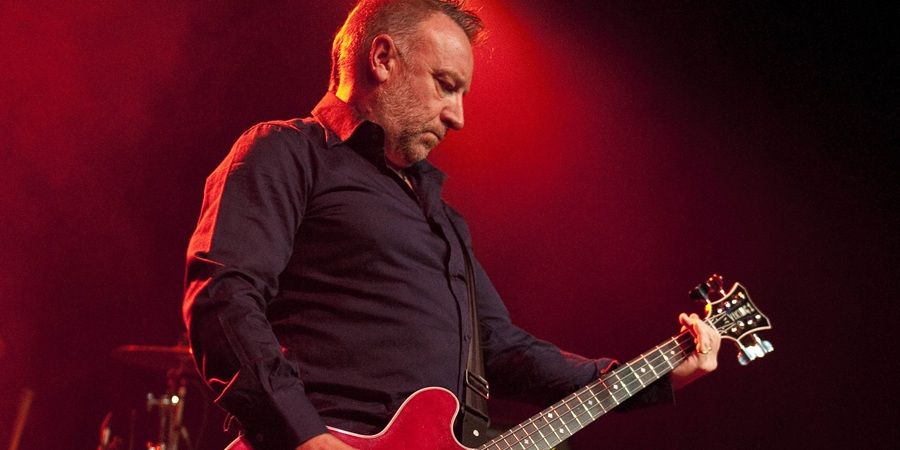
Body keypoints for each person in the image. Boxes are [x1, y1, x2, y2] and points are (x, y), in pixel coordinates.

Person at [182, 1, 722, 449]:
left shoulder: (440, 215)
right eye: (446, 84)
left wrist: (658, 372)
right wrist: (303, 437)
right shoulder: (288, 152)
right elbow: (223, 297)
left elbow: (503, 351)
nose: (458, 116)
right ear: (383, 57)